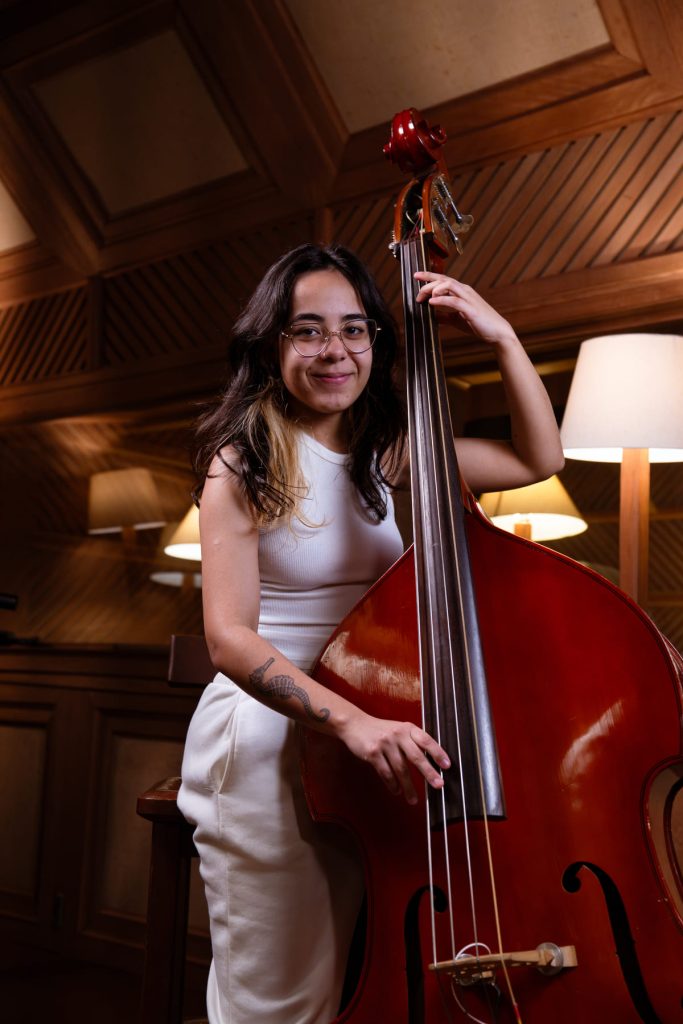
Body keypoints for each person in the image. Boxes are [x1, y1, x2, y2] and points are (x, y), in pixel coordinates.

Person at [177, 243, 564, 1024]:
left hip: (367, 737)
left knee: (354, 983)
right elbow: (228, 639)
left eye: (355, 330)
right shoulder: (240, 462)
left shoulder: (384, 456)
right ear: (271, 344)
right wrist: (353, 724)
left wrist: (501, 338)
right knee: (280, 1002)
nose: (335, 351)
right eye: (308, 330)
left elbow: (537, 455)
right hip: (270, 742)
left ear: (378, 343)